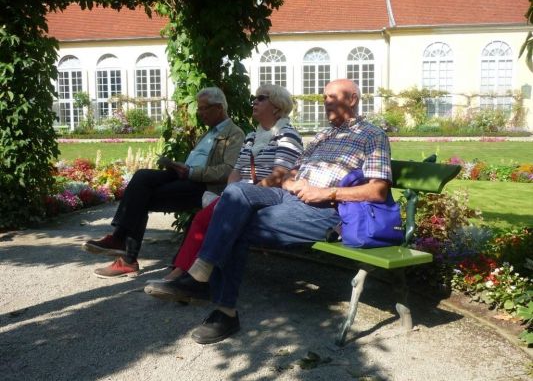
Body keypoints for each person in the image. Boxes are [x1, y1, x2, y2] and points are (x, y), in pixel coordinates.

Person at [153, 79, 393, 344]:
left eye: (333, 97)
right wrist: (292, 182)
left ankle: (222, 308)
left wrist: (327, 192)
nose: (326, 102)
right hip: (288, 195)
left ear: (352, 99)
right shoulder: (323, 136)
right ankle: (201, 273)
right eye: (324, 97)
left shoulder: (372, 136)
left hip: (325, 209)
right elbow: (291, 171)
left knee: (236, 224)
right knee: (234, 193)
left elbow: (378, 190)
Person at [144, 84, 303, 295]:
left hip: (268, 196)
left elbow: (279, 175)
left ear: (277, 106)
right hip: (240, 195)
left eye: (261, 98)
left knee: (204, 218)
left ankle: (183, 278)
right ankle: (186, 277)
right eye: (254, 98)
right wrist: (230, 194)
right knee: (206, 216)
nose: (254, 102)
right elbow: (235, 172)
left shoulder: (287, 135)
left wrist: (243, 194)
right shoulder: (251, 137)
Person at [82, 87, 245, 278]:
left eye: (203, 108)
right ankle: (122, 247)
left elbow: (228, 170)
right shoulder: (208, 133)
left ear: (219, 108)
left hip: (203, 185)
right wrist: (178, 167)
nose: (199, 113)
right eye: (198, 109)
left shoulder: (235, 134)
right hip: (185, 175)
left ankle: (125, 253)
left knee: (140, 197)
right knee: (142, 176)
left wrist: (191, 171)